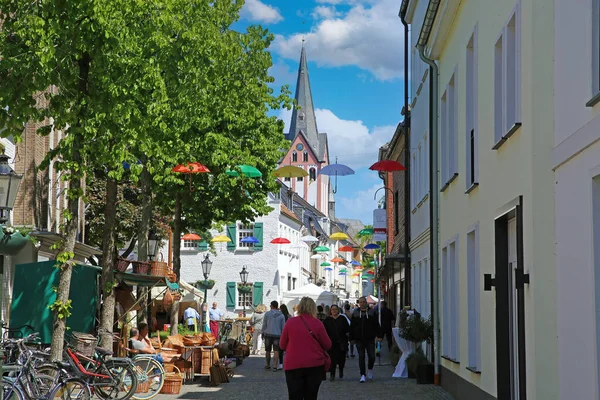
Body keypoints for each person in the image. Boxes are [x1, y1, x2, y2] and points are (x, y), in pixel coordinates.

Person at [280, 297, 331, 400]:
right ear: (313, 308)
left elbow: (282, 345)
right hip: (314, 365)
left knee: (294, 396)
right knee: (311, 396)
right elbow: (327, 345)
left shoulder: (290, 322)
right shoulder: (318, 323)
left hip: (293, 364)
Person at [349, 296, 383, 383]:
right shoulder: (355, 313)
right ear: (359, 303)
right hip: (359, 339)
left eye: (364, 302)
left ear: (366, 302)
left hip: (370, 338)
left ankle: (370, 369)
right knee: (361, 356)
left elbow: (376, 325)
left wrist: (379, 335)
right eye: (361, 302)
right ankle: (362, 375)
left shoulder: (371, 312)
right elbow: (352, 327)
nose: (362, 303)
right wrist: (351, 338)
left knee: (372, 356)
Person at [323, 304, 349, 381]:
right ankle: (332, 374)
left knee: (341, 359)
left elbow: (347, 329)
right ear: (330, 311)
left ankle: (341, 369)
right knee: (332, 360)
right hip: (331, 343)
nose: (334, 311)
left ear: (338, 310)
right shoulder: (327, 320)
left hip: (342, 342)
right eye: (332, 309)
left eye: (335, 309)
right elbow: (324, 331)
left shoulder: (342, 318)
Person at [262, 300, 286, 371]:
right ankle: (275, 366)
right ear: (277, 306)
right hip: (277, 335)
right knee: (276, 351)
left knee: (267, 351)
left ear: (272, 306)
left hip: (268, 334)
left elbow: (264, 324)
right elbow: (283, 327)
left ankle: (268, 365)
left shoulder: (267, 314)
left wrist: (263, 332)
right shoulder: (281, 315)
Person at [278, 304, 292, 369]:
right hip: (289, 333)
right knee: (288, 349)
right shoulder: (289, 316)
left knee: (280, 349)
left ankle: (281, 363)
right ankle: (288, 362)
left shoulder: (279, 316)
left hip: (281, 333)